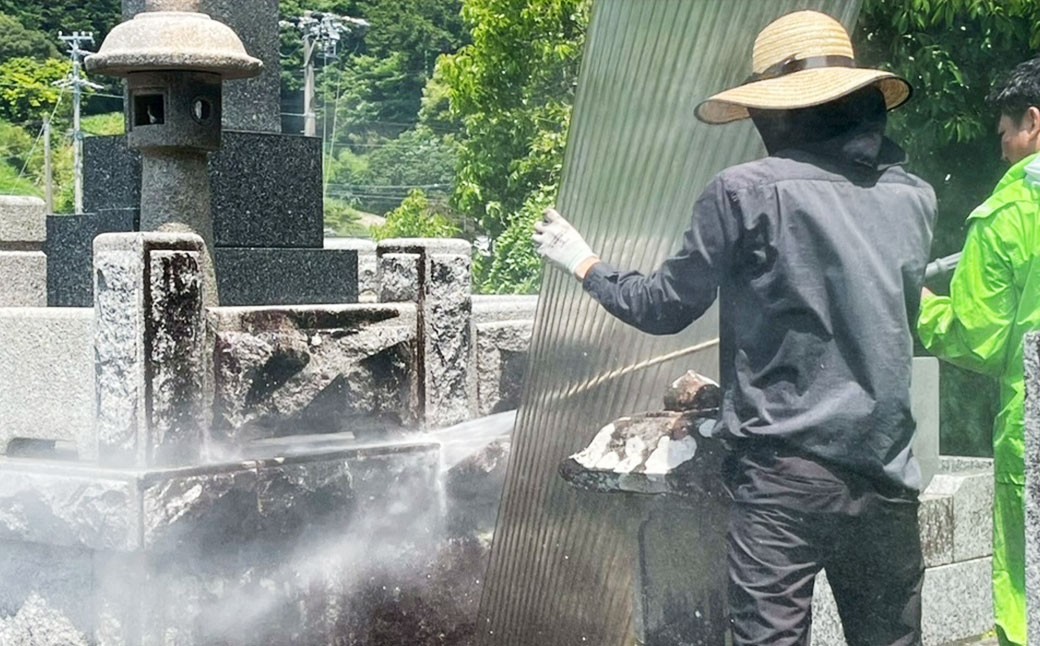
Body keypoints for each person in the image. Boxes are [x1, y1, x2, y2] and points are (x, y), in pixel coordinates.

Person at [533, 11, 937, 646]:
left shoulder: (743, 192)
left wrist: (584, 263)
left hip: (783, 482)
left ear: (779, 113)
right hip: (886, 477)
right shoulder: (914, 196)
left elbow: (664, 308)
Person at [916, 57, 1040, 646]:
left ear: (1033, 123)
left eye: (1005, 134)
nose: (1002, 150)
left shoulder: (1010, 213)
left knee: (1029, 591)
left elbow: (976, 336)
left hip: (1035, 425)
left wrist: (919, 303)